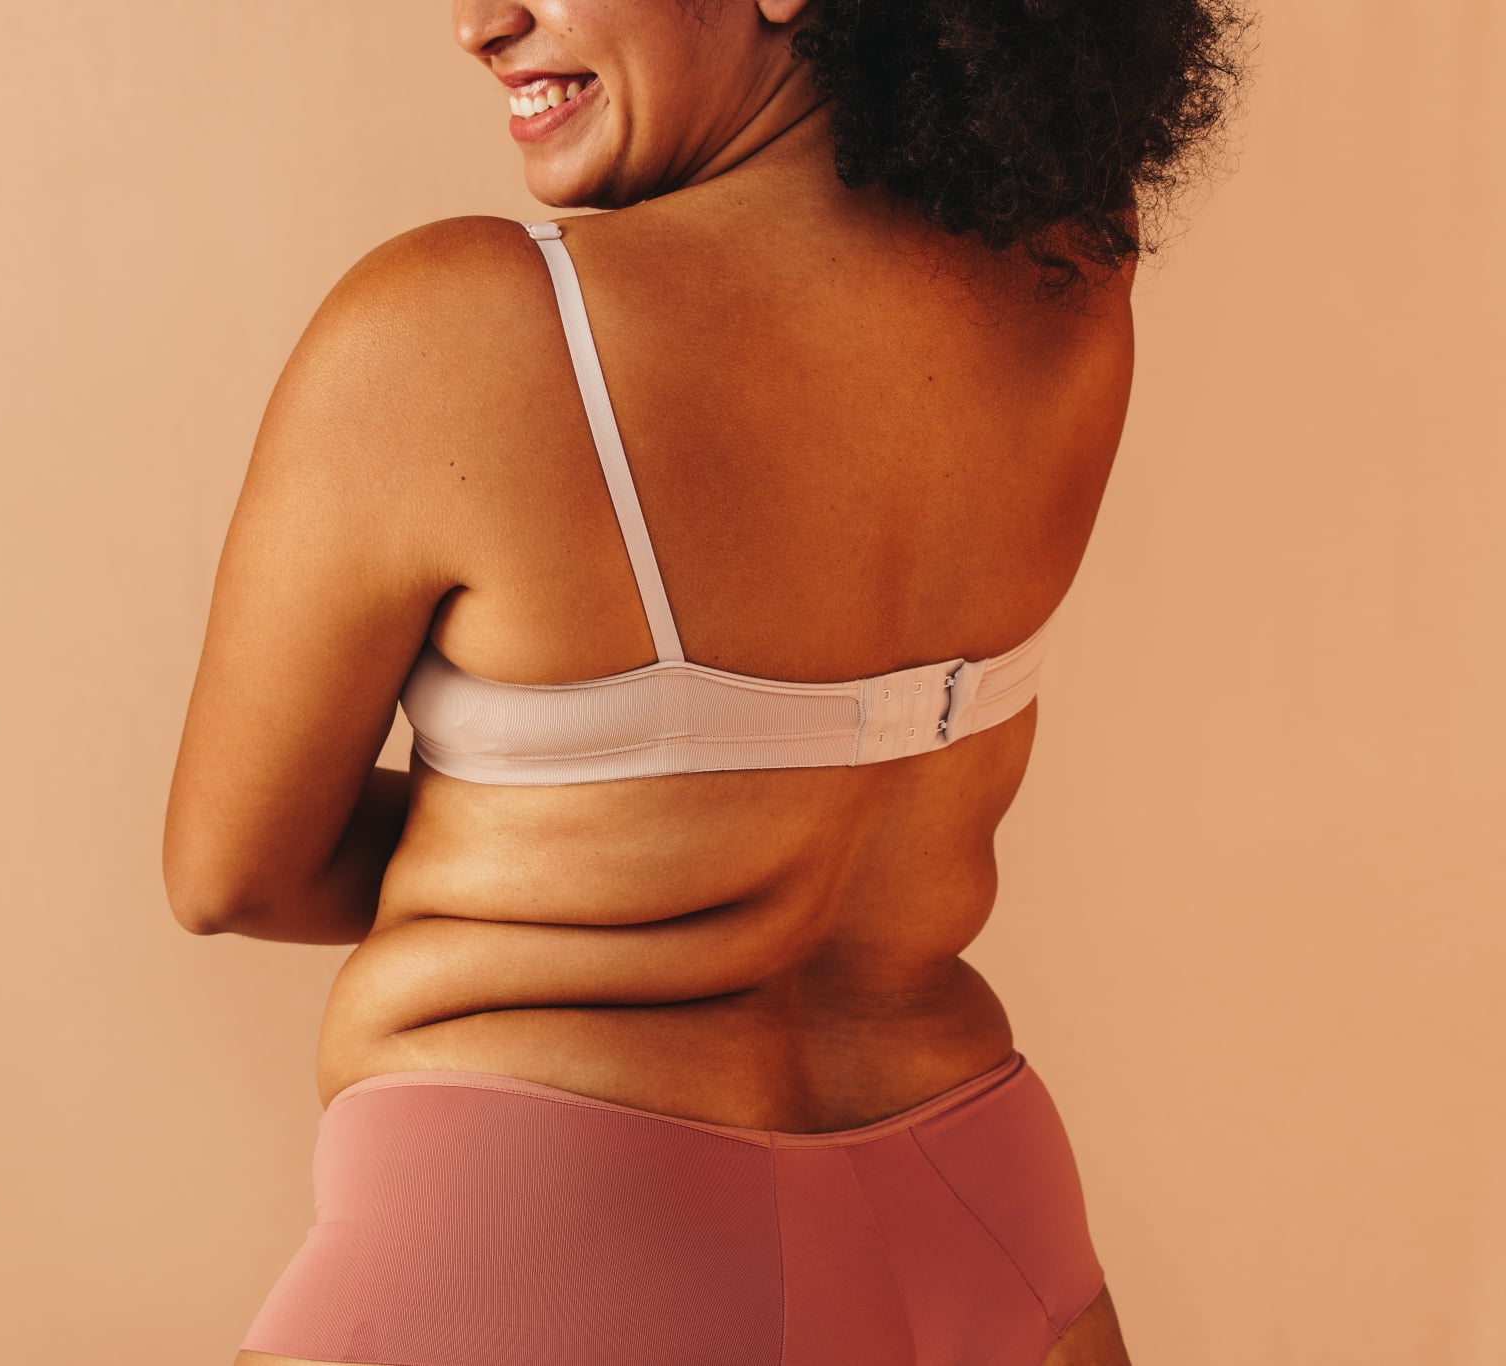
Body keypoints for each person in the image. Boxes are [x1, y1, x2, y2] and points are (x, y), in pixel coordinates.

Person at [164, 2, 1248, 1362]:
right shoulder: (1070, 272)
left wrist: (562, 861)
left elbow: (233, 871)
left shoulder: (466, 325)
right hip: (982, 1229)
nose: (478, 21)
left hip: (547, 1244)